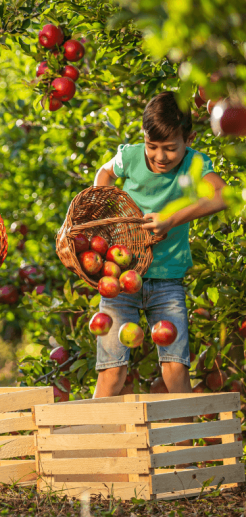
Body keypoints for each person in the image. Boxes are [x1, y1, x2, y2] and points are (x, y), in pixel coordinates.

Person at [92, 91, 227, 398]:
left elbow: (221, 195)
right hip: (121, 278)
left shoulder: (194, 164)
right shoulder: (130, 156)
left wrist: (171, 219)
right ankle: (89, 445)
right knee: (112, 371)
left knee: (176, 370)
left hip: (166, 281)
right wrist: (110, 213)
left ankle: (184, 445)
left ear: (188, 139)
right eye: (152, 146)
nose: (160, 156)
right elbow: (104, 174)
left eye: (170, 148)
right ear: (144, 138)